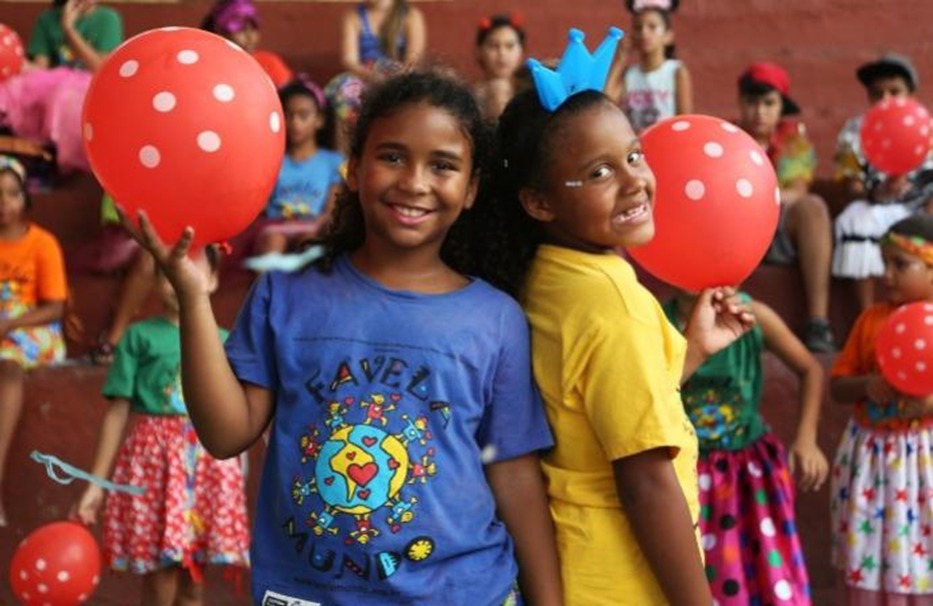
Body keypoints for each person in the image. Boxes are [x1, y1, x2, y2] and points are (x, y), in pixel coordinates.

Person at [121, 70, 562, 605]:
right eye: (392, 156)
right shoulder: (287, 293)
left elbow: (514, 476)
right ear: (353, 168)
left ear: (470, 190)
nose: (414, 182)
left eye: (442, 165)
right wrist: (193, 297)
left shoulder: (495, 319)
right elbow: (225, 433)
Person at [473, 31, 756, 603]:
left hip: (576, 572)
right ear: (540, 202)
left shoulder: (549, 277)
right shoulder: (611, 300)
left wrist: (691, 350)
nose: (635, 182)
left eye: (633, 156)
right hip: (624, 584)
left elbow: (598, 412)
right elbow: (645, 478)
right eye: (600, 173)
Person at [73, 245, 249, 603]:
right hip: (155, 465)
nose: (180, 279)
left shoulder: (226, 342)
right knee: (161, 577)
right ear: (155, 278)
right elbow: (117, 413)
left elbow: (238, 416)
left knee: (194, 579)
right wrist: (96, 484)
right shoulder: (139, 337)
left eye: (195, 270)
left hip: (208, 467)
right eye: (170, 270)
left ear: (214, 280)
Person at [663, 290, 828, 604]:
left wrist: (807, 439)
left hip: (749, 474)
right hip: (688, 473)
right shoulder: (657, 320)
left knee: (768, 569)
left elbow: (811, 369)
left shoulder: (753, 315)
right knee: (704, 573)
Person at [829, 214, 933, 604]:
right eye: (883, 261)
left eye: (900, 265)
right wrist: (867, 385)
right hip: (871, 456)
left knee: (919, 547)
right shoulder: (871, 320)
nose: (885, 274)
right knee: (870, 544)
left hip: (922, 461)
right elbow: (838, 387)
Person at [735, 62, 837, 353]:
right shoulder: (727, 137)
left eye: (769, 103)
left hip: (777, 223)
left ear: (781, 106)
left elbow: (797, 189)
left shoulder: (794, 142)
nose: (760, 111)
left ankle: (818, 321)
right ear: (740, 103)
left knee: (813, 207)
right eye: (752, 102)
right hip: (737, 225)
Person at [832, 53, 933, 311]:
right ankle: (867, 313)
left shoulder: (927, 128)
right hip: (874, 205)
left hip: (921, 208)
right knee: (854, 219)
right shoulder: (855, 131)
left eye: (895, 91)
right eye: (877, 93)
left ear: (911, 95)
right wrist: (877, 193)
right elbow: (851, 187)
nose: (886, 100)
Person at [0, 156, 67, 526]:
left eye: (11, 194)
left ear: (25, 198)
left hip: (32, 331)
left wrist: (11, 323)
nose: (3, 203)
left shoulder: (42, 243)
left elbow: (55, 307)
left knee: (7, 368)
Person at [0, 0, 123, 175]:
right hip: (50, 89)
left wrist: (69, 30)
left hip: (88, 89)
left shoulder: (108, 18)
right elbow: (40, 72)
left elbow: (102, 70)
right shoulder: (47, 19)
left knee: (67, 97)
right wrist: (19, 65)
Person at [246, 77, 344, 272]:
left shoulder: (333, 161)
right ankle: (267, 296)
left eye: (303, 115)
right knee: (273, 239)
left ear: (319, 120)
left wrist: (318, 223)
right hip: (276, 225)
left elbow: (331, 210)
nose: (294, 123)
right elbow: (260, 205)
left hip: (312, 225)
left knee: (310, 242)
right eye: (288, 115)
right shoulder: (274, 159)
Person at [328, 0, 427, 155]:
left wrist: (392, 77)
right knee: (342, 89)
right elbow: (349, 60)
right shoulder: (354, 16)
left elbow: (413, 62)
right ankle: (345, 158)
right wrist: (372, 75)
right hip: (365, 77)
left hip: (401, 78)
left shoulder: (411, 16)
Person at [605, 0, 692, 133]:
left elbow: (685, 120)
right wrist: (620, 61)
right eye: (638, 28)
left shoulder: (676, 71)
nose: (644, 32)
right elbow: (606, 101)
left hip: (666, 145)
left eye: (652, 27)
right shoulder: (629, 75)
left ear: (668, 36)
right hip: (636, 149)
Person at [201, 0, 293, 88]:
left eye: (253, 28)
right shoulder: (208, 65)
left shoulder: (269, 64)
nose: (250, 37)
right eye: (241, 29)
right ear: (220, 32)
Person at [473, 13, 526, 122]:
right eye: (493, 46)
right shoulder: (471, 96)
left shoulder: (531, 92)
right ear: (479, 51)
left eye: (510, 46)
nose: (502, 53)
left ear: (521, 51)